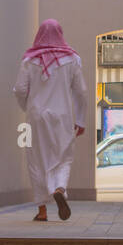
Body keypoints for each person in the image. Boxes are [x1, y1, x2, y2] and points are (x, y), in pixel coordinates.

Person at [13, 19, 88, 222]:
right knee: (64, 156)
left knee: (35, 160)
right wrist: (80, 119)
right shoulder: (72, 60)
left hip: (36, 117)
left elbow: (20, 90)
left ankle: (42, 210)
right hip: (62, 116)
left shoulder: (29, 60)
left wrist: (27, 108)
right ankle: (59, 188)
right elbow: (81, 92)